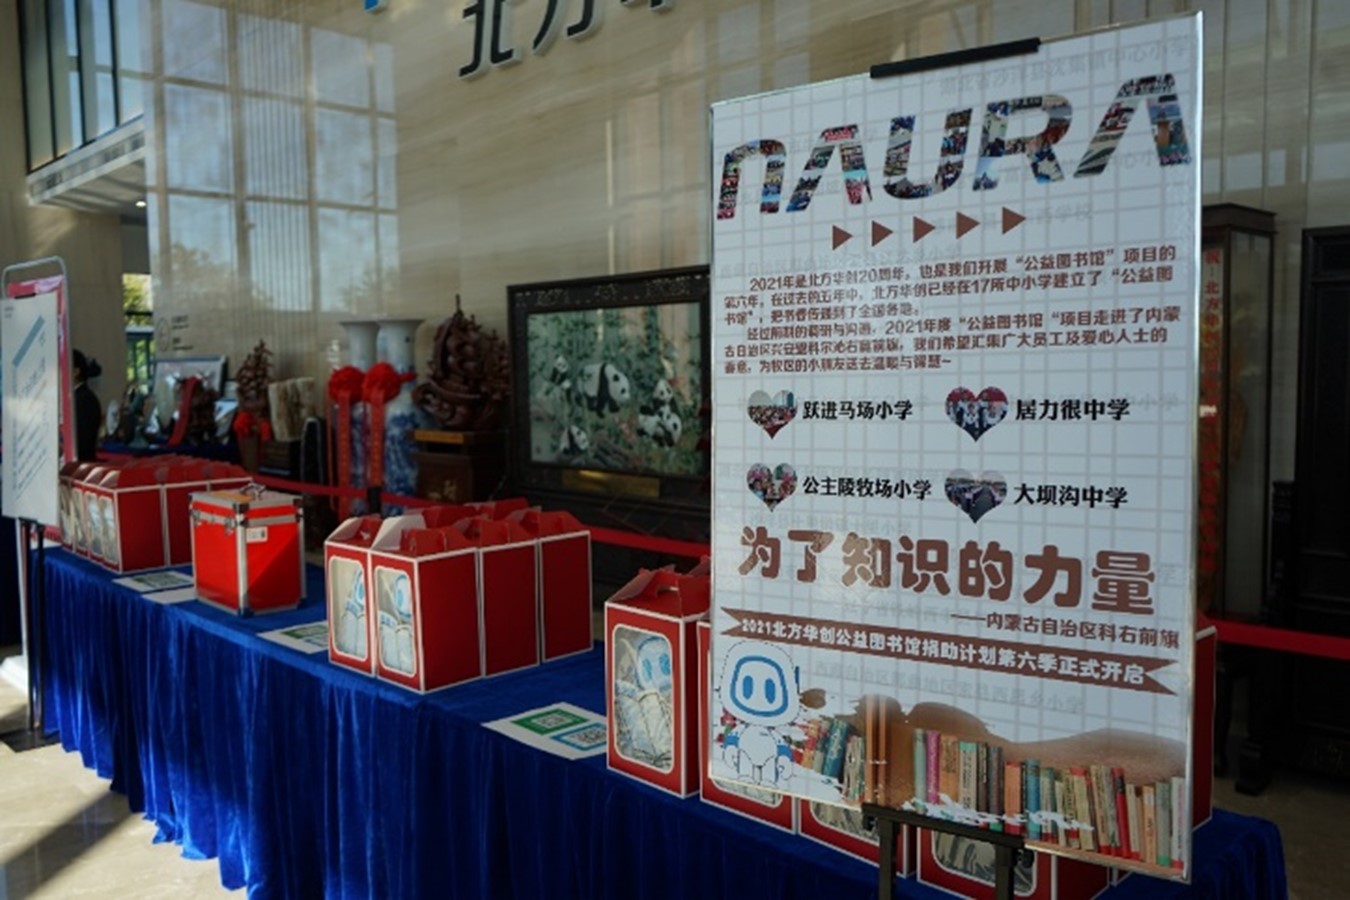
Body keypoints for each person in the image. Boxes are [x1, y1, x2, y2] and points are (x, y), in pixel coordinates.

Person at [72, 349, 103, 461]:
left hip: (81, 465)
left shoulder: (84, 399)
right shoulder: (77, 397)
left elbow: (82, 442)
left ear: (76, 371)